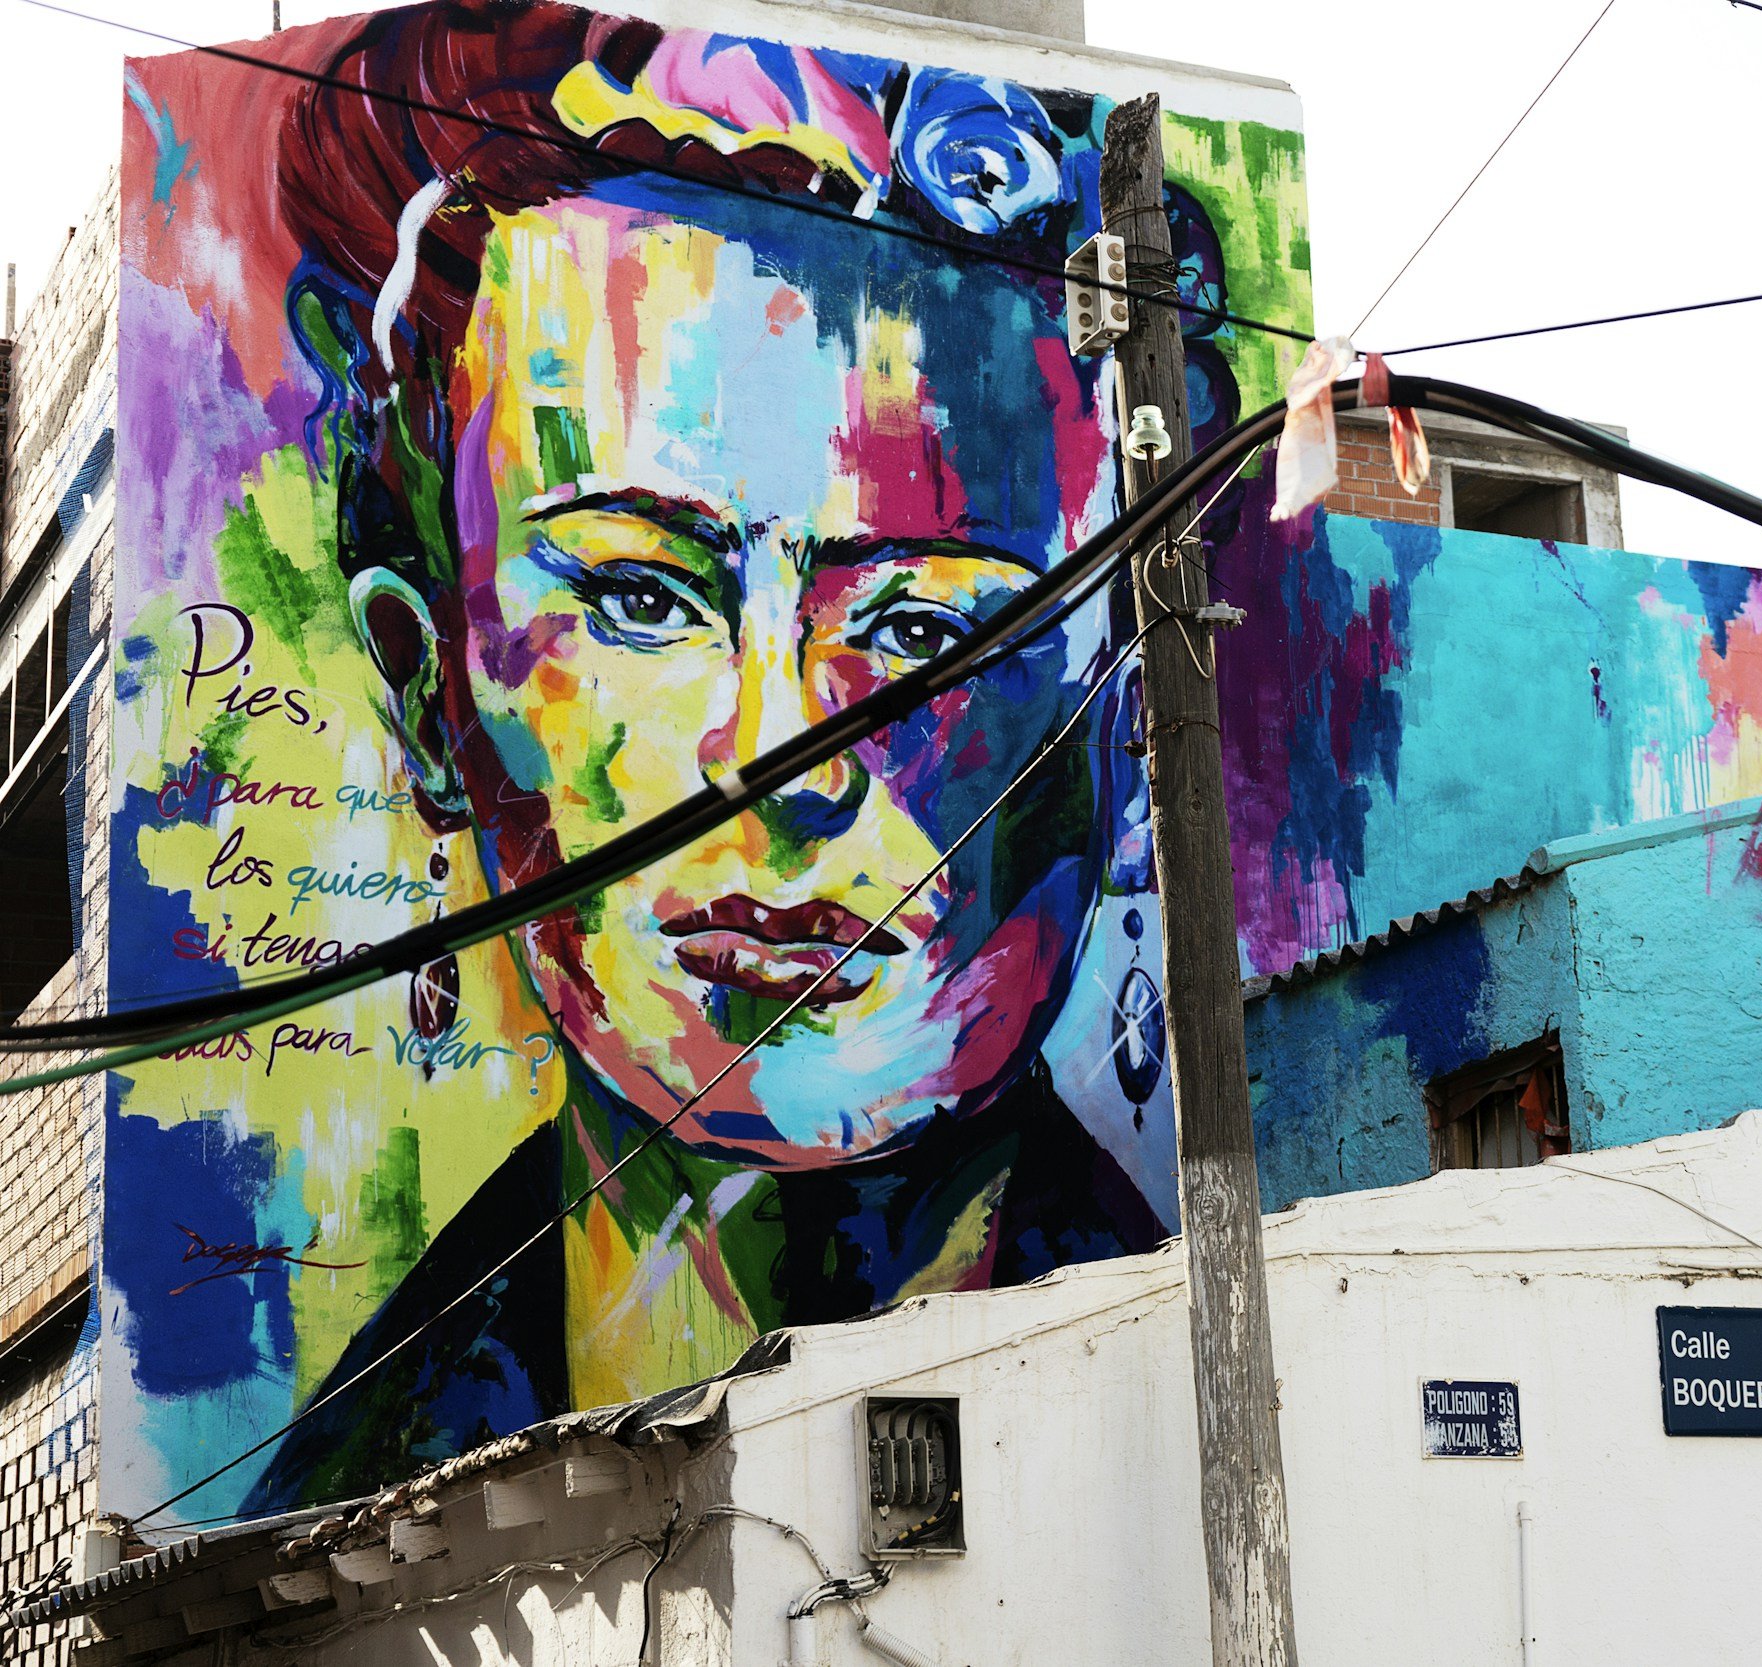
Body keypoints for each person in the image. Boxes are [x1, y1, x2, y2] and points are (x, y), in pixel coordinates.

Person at [240, 1, 1197, 1508]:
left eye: (925, 634)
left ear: (1131, 723)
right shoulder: (324, 1508)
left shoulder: (1240, 1424)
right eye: (639, 598)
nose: (782, 754)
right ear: (432, 692)